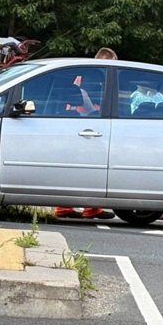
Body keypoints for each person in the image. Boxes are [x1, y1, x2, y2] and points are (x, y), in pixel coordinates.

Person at [56, 47, 118, 220]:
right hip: (87, 124)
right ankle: (90, 208)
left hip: (74, 122)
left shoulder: (80, 75)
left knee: (73, 168)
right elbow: (94, 102)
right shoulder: (95, 78)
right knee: (92, 168)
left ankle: (65, 206)